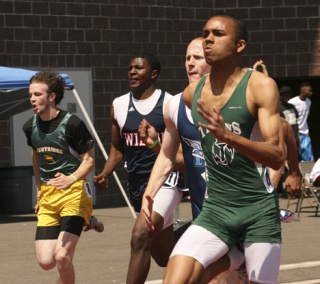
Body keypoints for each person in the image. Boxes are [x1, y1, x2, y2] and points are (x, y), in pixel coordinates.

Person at [158, 14, 286, 284]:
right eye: (205, 33)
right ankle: (236, 253)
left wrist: (227, 135)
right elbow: (176, 152)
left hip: (258, 211)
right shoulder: (193, 93)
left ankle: (237, 253)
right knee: (176, 279)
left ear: (239, 45)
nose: (208, 39)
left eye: (217, 34)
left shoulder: (260, 87)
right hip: (217, 210)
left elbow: (276, 156)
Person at [93, 52, 183, 284]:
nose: (132, 71)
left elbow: (180, 150)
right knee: (163, 256)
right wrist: (106, 172)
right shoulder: (119, 105)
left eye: (138, 68)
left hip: (166, 181)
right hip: (137, 185)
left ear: (153, 74)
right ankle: (198, 237)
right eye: (130, 67)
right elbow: (117, 148)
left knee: (140, 236)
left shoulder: (170, 103)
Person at [22, 70, 95, 284]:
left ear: (51, 96)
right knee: (46, 261)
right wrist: (38, 189)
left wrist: (71, 179)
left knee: (62, 257)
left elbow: (89, 161)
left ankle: (83, 217)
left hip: (74, 193)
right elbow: (36, 156)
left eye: (37, 94)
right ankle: (87, 222)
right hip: (48, 195)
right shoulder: (30, 127)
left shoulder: (72, 124)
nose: (32, 99)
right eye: (30, 95)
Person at [288, 82, 313, 162]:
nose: (310, 92)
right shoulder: (292, 102)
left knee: (307, 156)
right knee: (294, 155)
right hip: (294, 132)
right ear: (302, 90)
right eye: (309, 90)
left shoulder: (308, 102)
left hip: (304, 133)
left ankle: (307, 174)